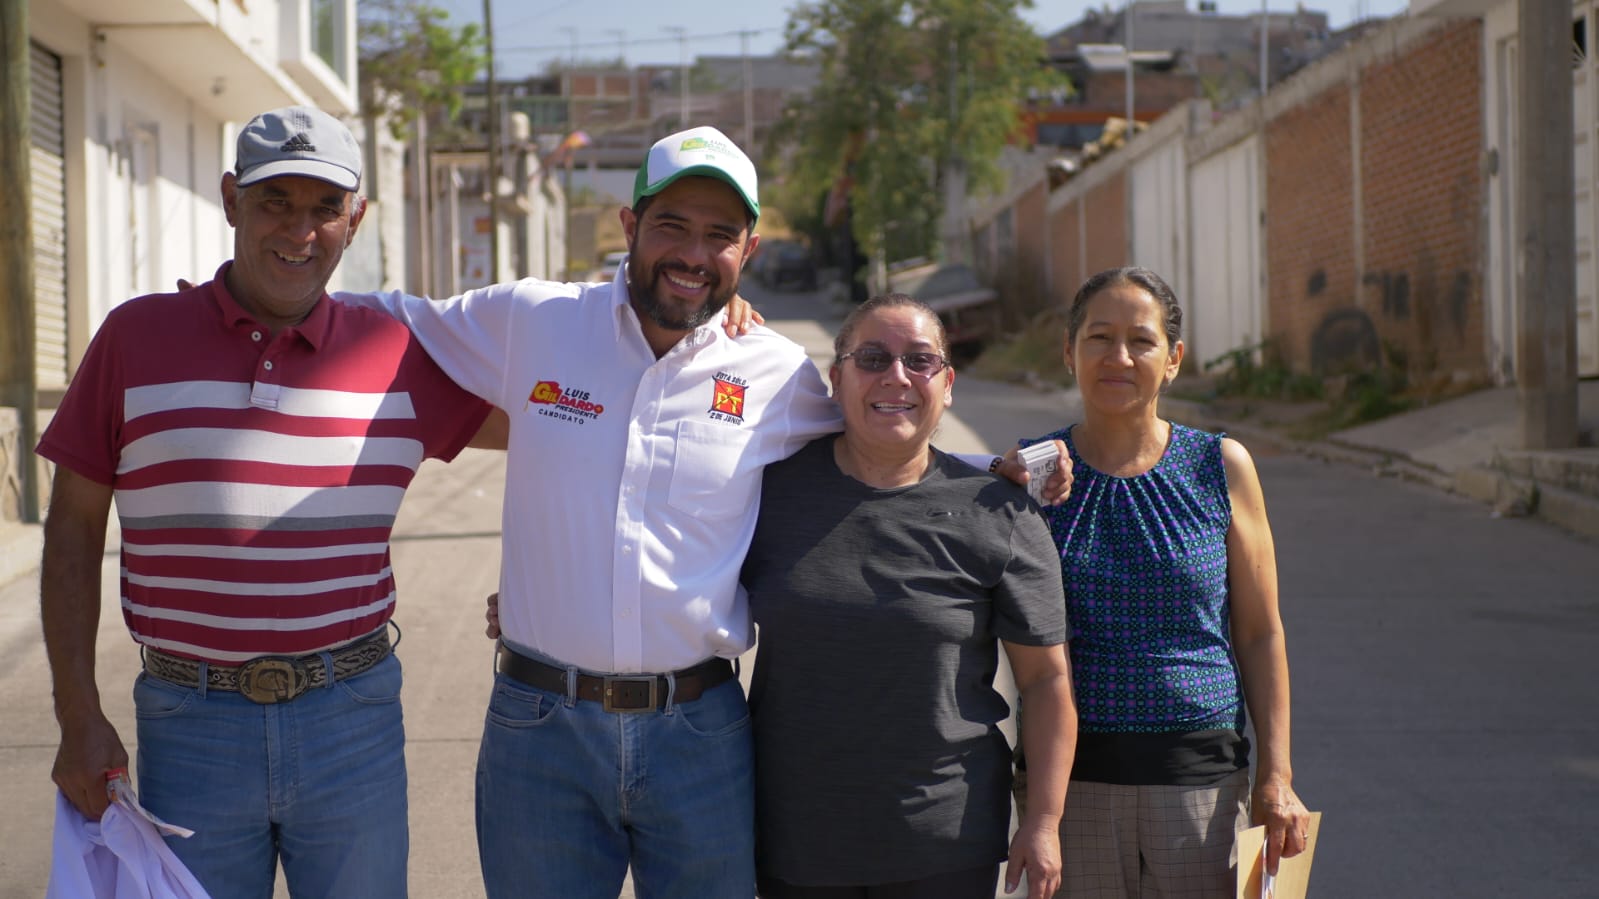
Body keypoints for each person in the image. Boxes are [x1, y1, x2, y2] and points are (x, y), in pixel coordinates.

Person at [343, 126, 1069, 898]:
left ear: (748, 251)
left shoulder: (774, 373)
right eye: (672, 226)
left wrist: (989, 475)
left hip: (698, 734)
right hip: (539, 727)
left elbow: (888, 428)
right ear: (630, 225)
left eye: (719, 235)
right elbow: (377, 321)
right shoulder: (532, 320)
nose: (693, 253)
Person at [36, 105, 500, 897]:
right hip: (191, 723)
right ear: (230, 200)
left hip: (351, 718)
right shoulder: (133, 337)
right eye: (275, 200)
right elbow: (73, 530)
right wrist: (77, 712)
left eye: (325, 206)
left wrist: (700, 338)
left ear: (356, 219)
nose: (300, 228)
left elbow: (567, 426)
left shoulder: (399, 352)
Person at [740, 293, 1078, 899]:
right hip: (796, 836)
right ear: (836, 379)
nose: (897, 375)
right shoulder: (768, 496)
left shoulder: (997, 511)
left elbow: (1047, 682)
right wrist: (531, 606)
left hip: (945, 840)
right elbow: (671, 578)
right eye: (872, 357)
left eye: (920, 361)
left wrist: (1044, 821)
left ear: (947, 384)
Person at [1012, 267, 1311, 897]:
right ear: (1069, 352)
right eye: (1098, 338)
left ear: (1173, 359)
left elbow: (1260, 635)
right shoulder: (1036, 472)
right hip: (1072, 789)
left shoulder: (1219, 466)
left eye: (1140, 340)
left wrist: (1276, 775)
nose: (1118, 357)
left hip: (1200, 788)